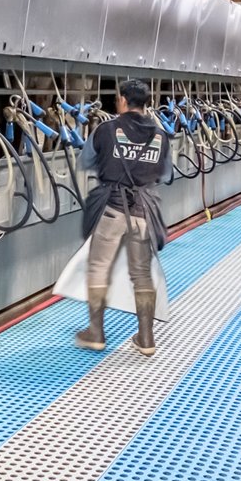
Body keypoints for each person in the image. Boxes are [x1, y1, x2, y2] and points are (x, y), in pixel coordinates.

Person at [73, 78, 172, 356]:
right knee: (142, 274)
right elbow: (166, 175)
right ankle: (146, 338)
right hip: (143, 213)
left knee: (98, 268)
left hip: (112, 210)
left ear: (123, 100)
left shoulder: (106, 130)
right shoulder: (160, 135)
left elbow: (86, 162)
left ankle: (95, 332)